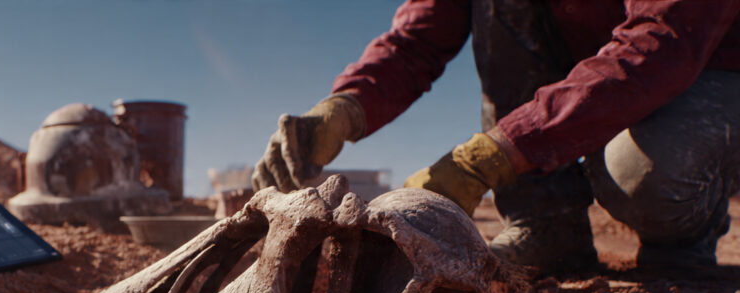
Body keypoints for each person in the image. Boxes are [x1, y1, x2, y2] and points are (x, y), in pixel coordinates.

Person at [253, 1, 740, 272]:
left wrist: (495, 153)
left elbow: (663, 38)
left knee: (641, 176)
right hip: (611, 82)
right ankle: (546, 222)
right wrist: (343, 108)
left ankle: (683, 237)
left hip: (710, 72)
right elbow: (418, 39)